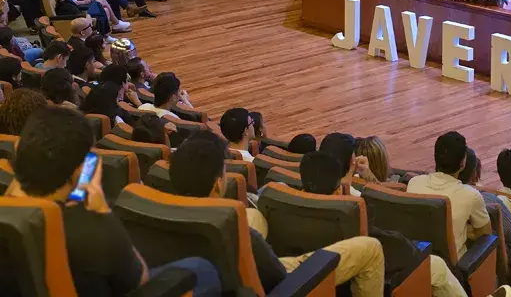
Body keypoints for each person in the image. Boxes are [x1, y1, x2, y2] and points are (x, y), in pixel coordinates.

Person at [5, 107, 221, 296]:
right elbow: (141, 280)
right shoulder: (93, 227)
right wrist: (102, 211)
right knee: (202, 269)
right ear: (81, 171)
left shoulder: (9, 213)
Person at [170, 131, 384, 296]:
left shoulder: (160, 214)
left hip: (213, 268)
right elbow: (278, 277)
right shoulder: (236, 232)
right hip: (278, 280)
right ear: (218, 184)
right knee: (370, 247)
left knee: (254, 216)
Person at [301, 150, 468, 297]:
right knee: (437, 265)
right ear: (338, 190)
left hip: (324, 282)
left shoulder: (286, 210)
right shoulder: (354, 219)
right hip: (365, 281)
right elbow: (402, 251)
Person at [406, 132, 491, 258]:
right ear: (463, 163)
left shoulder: (414, 183)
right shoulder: (471, 195)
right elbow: (485, 235)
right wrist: (461, 230)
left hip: (418, 261)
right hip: (453, 268)